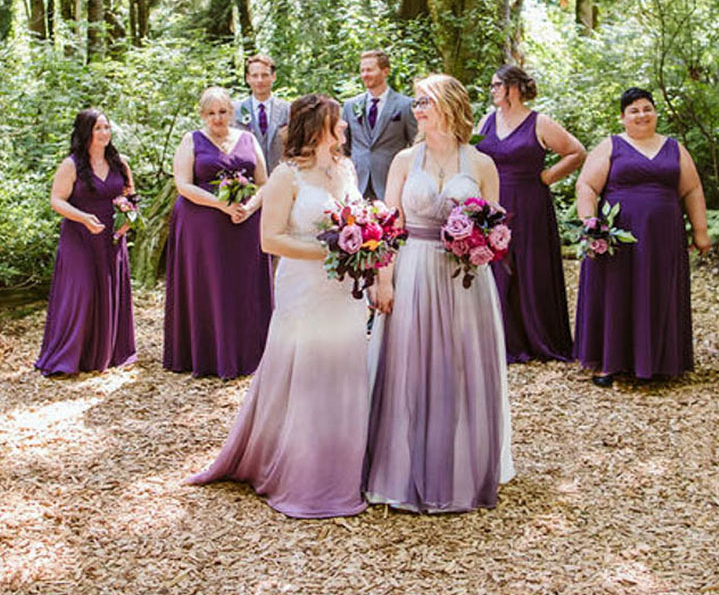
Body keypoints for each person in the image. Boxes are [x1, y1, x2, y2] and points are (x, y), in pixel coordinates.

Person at [189, 94, 369, 518]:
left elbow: (360, 220)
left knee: (343, 369)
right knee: (304, 371)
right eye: (336, 123)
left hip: (345, 291)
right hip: (304, 288)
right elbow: (270, 240)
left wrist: (363, 246)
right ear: (316, 127)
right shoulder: (287, 177)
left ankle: (344, 463)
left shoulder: (347, 168)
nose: (343, 129)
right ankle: (299, 467)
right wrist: (329, 254)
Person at [366, 74, 514, 513]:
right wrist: (383, 280)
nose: (418, 110)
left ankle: (460, 467)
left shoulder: (481, 163)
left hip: (464, 279)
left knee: (461, 367)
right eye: (416, 103)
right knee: (411, 364)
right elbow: (387, 227)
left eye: (425, 102)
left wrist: (480, 244)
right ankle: (405, 467)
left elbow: (497, 225)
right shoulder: (404, 161)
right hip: (412, 269)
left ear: (449, 106)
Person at [574, 87, 711, 386]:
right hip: (616, 239)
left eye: (647, 108)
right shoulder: (610, 146)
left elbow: (692, 189)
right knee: (616, 292)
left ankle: (658, 361)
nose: (642, 115)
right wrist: (591, 224)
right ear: (622, 117)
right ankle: (608, 363)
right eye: (634, 110)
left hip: (662, 239)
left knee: (658, 290)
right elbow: (586, 186)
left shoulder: (674, 148)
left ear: (656, 112)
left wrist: (700, 231)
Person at [476, 64, 585, 363]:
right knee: (498, 267)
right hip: (494, 203)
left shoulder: (539, 122)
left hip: (530, 203)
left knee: (531, 267)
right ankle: (502, 338)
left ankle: (539, 337)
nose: (493, 90)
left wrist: (547, 177)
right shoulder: (486, 121)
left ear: (513, 87)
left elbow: (576, 152)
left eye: (496, 85)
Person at [163, 86, 272, 379]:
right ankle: (210, 354)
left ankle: (250, 351)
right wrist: (221, 205)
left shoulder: (248, 139)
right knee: (210, 283)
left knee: (243, 284)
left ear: (232, 112)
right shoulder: (192, 140)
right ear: (202, 115)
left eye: (223, 112)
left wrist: (248, 208)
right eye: (211, 113)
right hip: (203, 226)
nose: (217, 118)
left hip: (244, 224)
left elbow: (264, 181)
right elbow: (184, 185)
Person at [36, 109, 137, 377]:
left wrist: (129, 220)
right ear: (86, 132)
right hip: (79, 236)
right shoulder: (71, 164)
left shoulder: (120, 163)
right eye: (98, 128)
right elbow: (56, 200)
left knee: (107, 289)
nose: (105, 133)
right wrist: (83, 218)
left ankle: (105, 352)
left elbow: (132, 197)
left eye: (107, 127)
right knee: (81, 291)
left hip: (111, 237)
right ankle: (67, 357)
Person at [342, 49, 417, 200]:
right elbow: (343, 146)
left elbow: (416, 145)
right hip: (357, 185)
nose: (364, 75)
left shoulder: (405, 105)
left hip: (390, 183)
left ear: (385, 71)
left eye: (370, 70)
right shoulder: (350, 105)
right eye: (362, 70)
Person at [234, 54, 291, 174]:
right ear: (248, 78)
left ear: (273, 77)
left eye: (265, 75)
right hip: (247, 179)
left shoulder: (288, 110)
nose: (260, 80)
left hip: (280, 178)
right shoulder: (235, 111)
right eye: (255, 75)